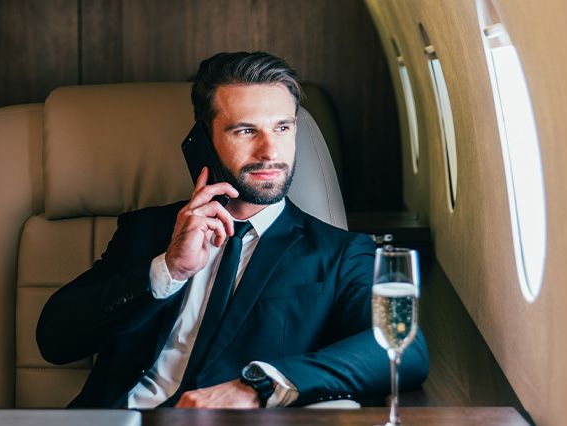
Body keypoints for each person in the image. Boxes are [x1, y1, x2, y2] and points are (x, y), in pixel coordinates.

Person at [36, 51, 428, 409]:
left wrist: (257, 386)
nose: (270, 152)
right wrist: (168, 271)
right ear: (204, 142)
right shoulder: (147, 230)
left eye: (282, 128)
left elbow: (404, 350)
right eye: (245, 131)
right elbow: (53, 339)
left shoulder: (342, 254)